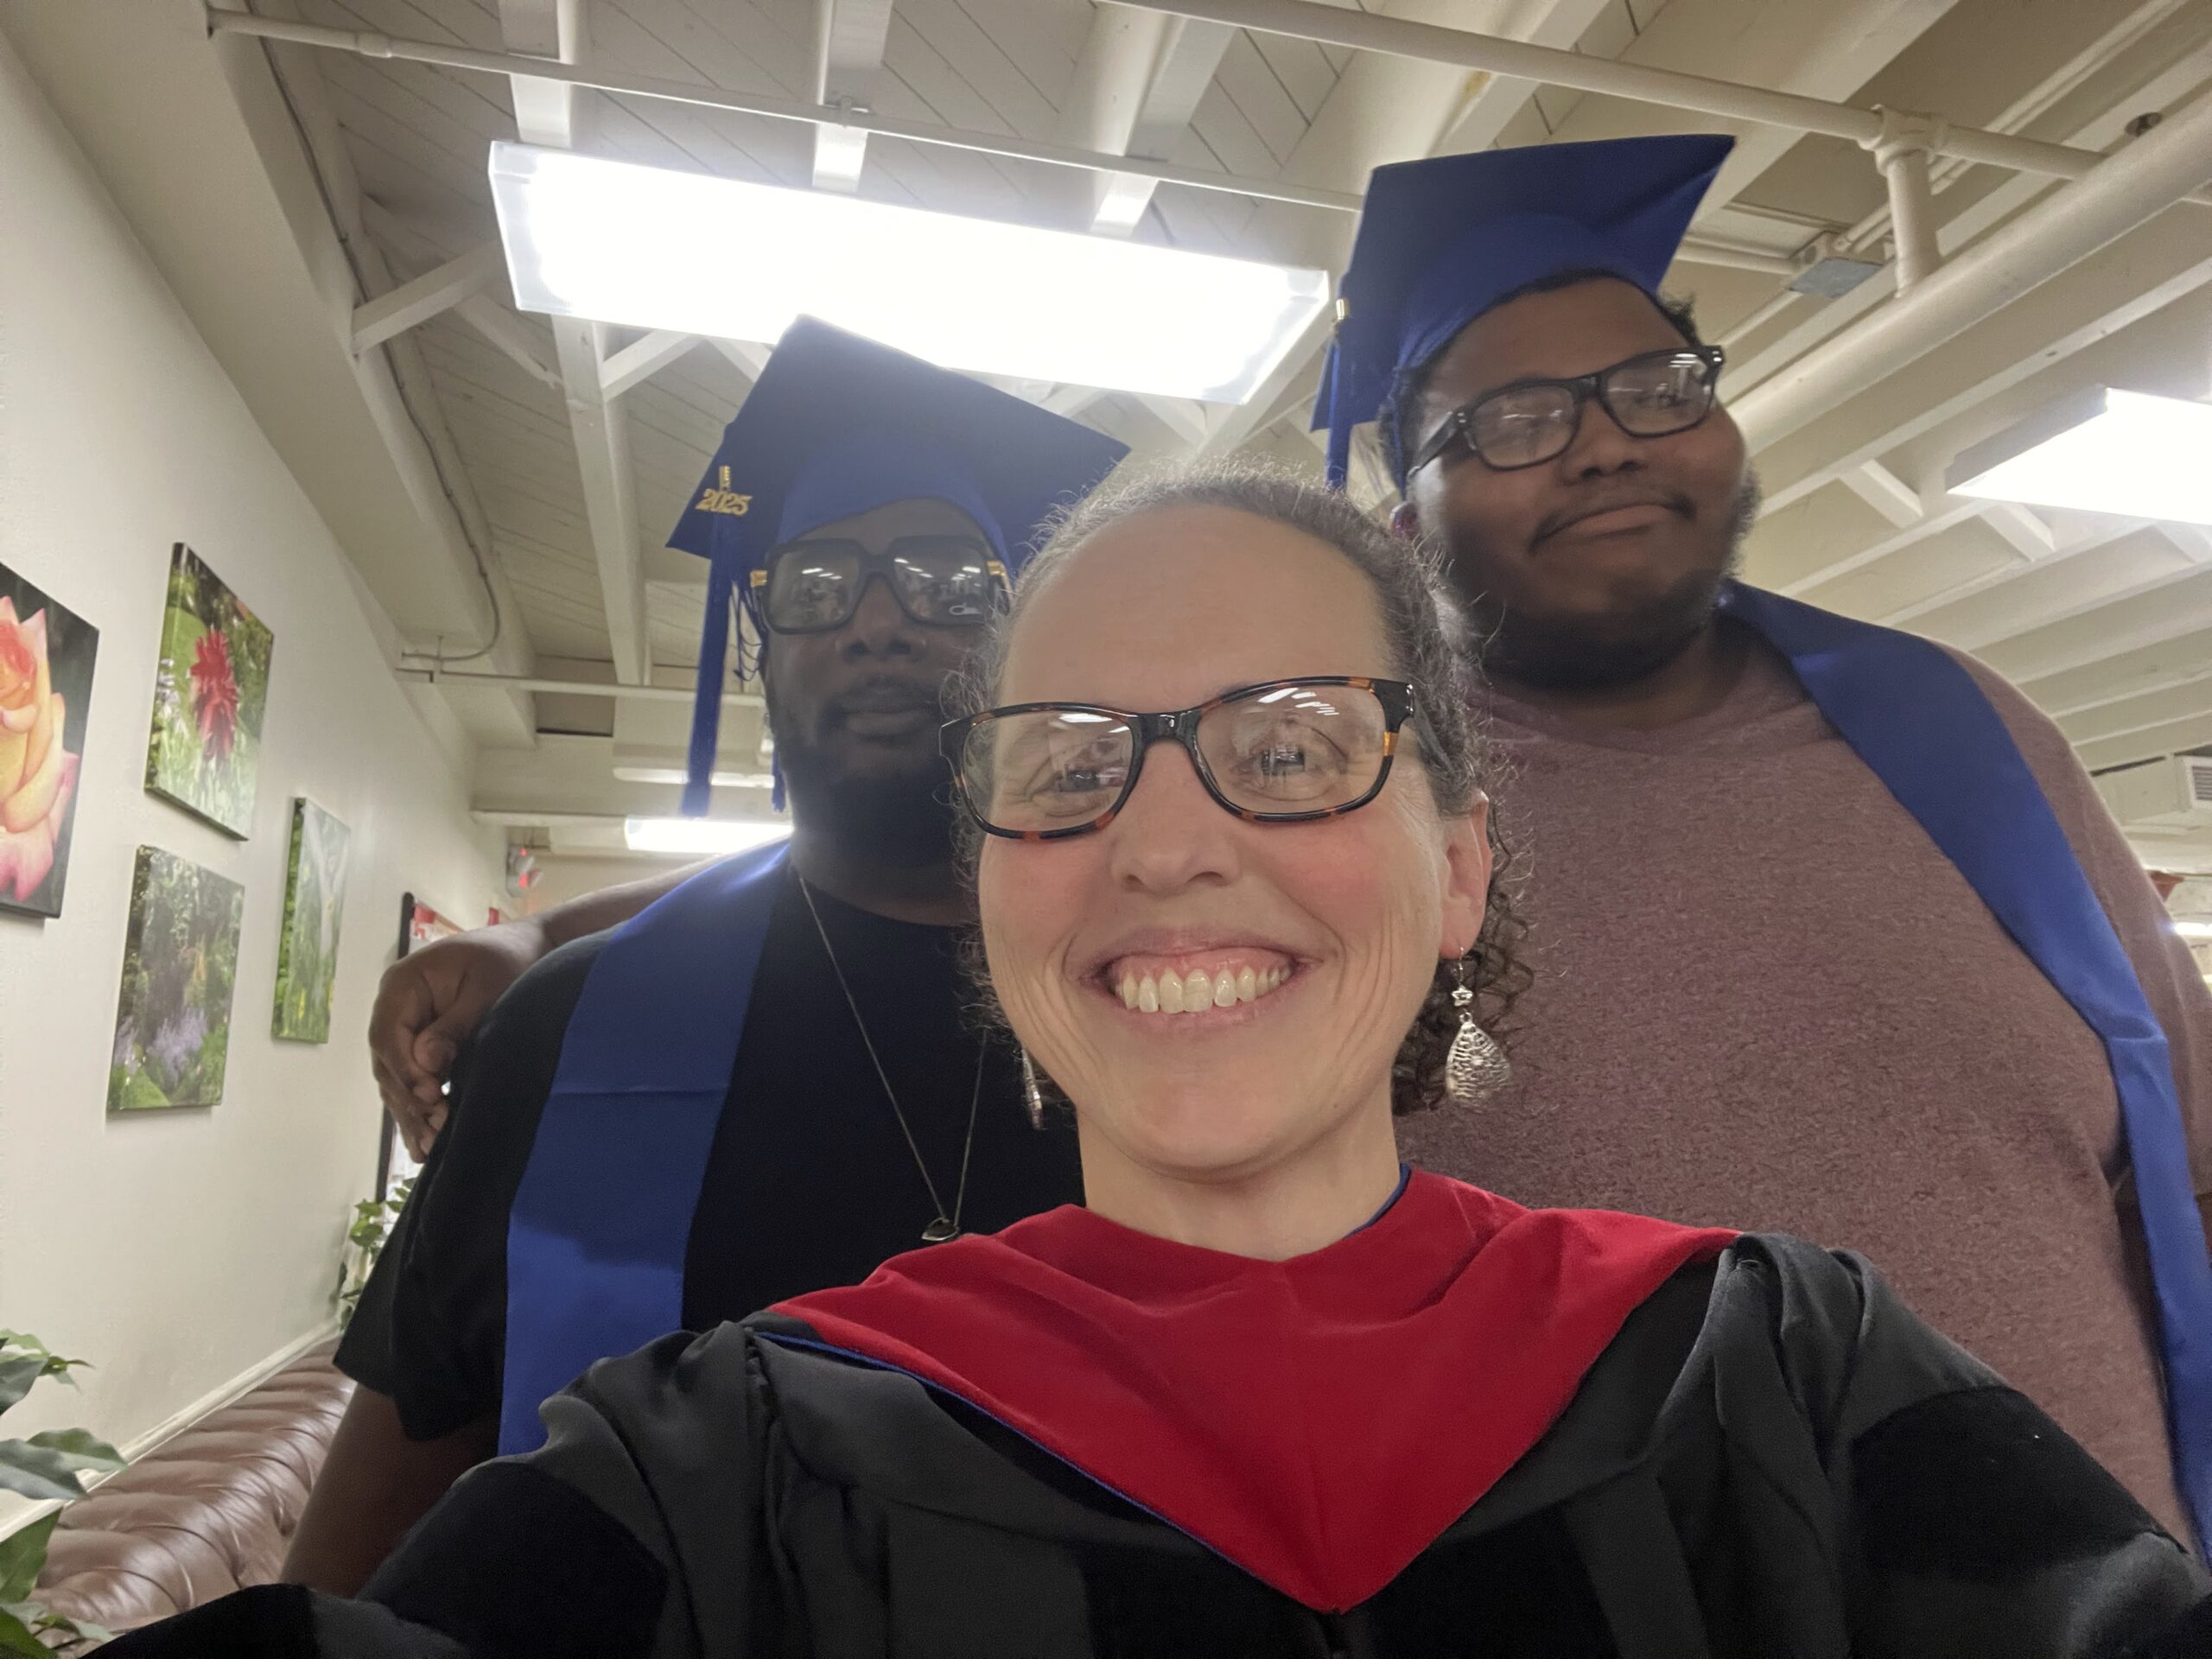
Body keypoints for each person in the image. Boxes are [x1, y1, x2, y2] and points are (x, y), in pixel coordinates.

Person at [110, 465, 2211, 1656]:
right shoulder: (717, 1461)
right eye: (1069, 766)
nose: (1170, 839)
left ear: (1461, 869)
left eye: (1290, 750)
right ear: (996, 886)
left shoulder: (1782, 1378)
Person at [1314, 132, 2212, 1551]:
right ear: (1402, 518)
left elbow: (2185, 1157)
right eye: (1514, 419)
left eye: (1657, 387)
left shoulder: (1970, 735)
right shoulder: (1349, 805)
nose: (1608, 439)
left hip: (2109, 1597)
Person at [283, 318, 1127, 1592]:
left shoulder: (1158, 1000)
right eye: (817, 582)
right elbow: (385, 1501)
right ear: (759, 648)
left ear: (1023, 645)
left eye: (947, 580)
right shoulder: (569, 1030)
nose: (879, 621)